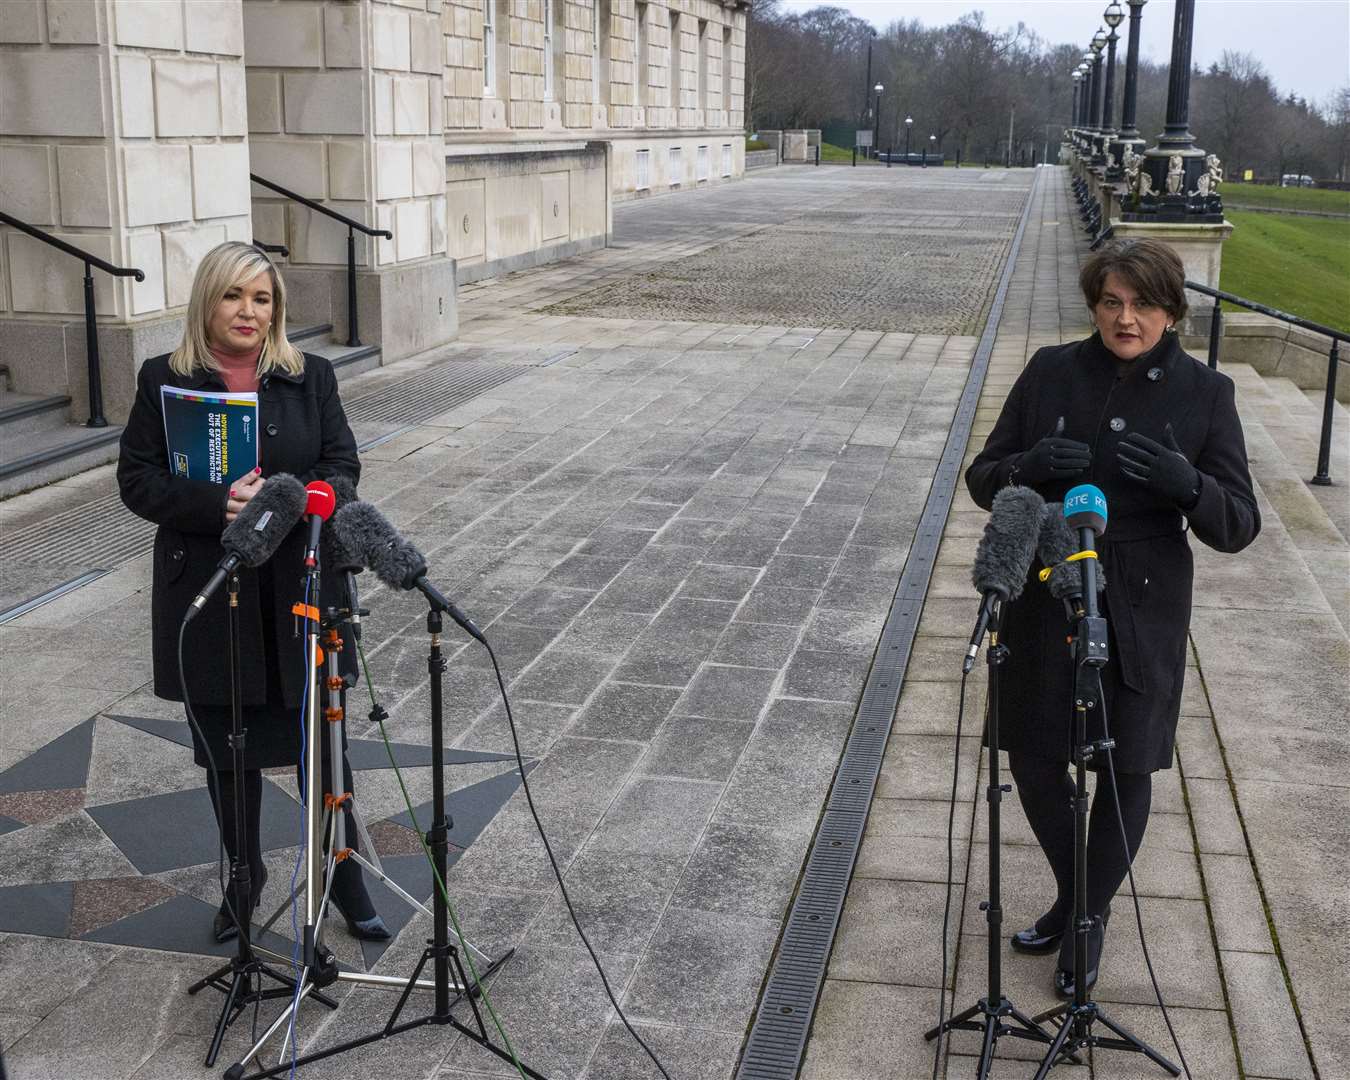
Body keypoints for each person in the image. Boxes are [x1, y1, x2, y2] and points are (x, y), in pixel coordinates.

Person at [965, 238, 1259, 996]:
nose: (1126, 319)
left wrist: (1188, 482)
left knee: (1123, 762)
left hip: (1144, 600)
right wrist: (1029, 468)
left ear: (1170, 310)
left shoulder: (1206, 394)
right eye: (1111, 303)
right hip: (1046, 587)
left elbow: (1237, 525)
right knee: (1033, 756)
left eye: (1144, 304)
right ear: (1095, 304)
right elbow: (983, 477)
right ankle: (1080, 896)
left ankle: (1085, 925)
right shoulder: (1050, 370)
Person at [118, 241, 389, 943]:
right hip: (213, 588)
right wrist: (218, 504)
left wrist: (291, 500)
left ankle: (343, 869)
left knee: (320, 740)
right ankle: (243, 878)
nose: (248, 311)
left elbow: (343, 467)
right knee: (226, 746)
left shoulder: (313, 376)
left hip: (300, 580)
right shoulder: (161, 379)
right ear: (208, 301)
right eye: (234, 296)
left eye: (262, 298)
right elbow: (137, 482)